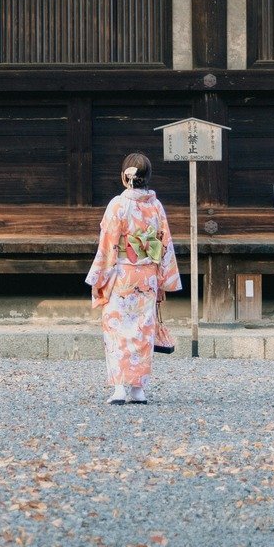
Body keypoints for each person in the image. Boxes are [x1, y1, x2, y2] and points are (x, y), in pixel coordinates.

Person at [85, 152, 182, 404]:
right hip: (147, 276)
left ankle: (119, 389)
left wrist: (99, 279)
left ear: (124, 177)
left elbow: (107, 245)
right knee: (143, 331)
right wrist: (163, 279)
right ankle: (139, 390)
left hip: (122, 275)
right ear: (148, 178)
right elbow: (164, 244)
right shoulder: (156, 206)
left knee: (117, 330)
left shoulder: (118, 204)